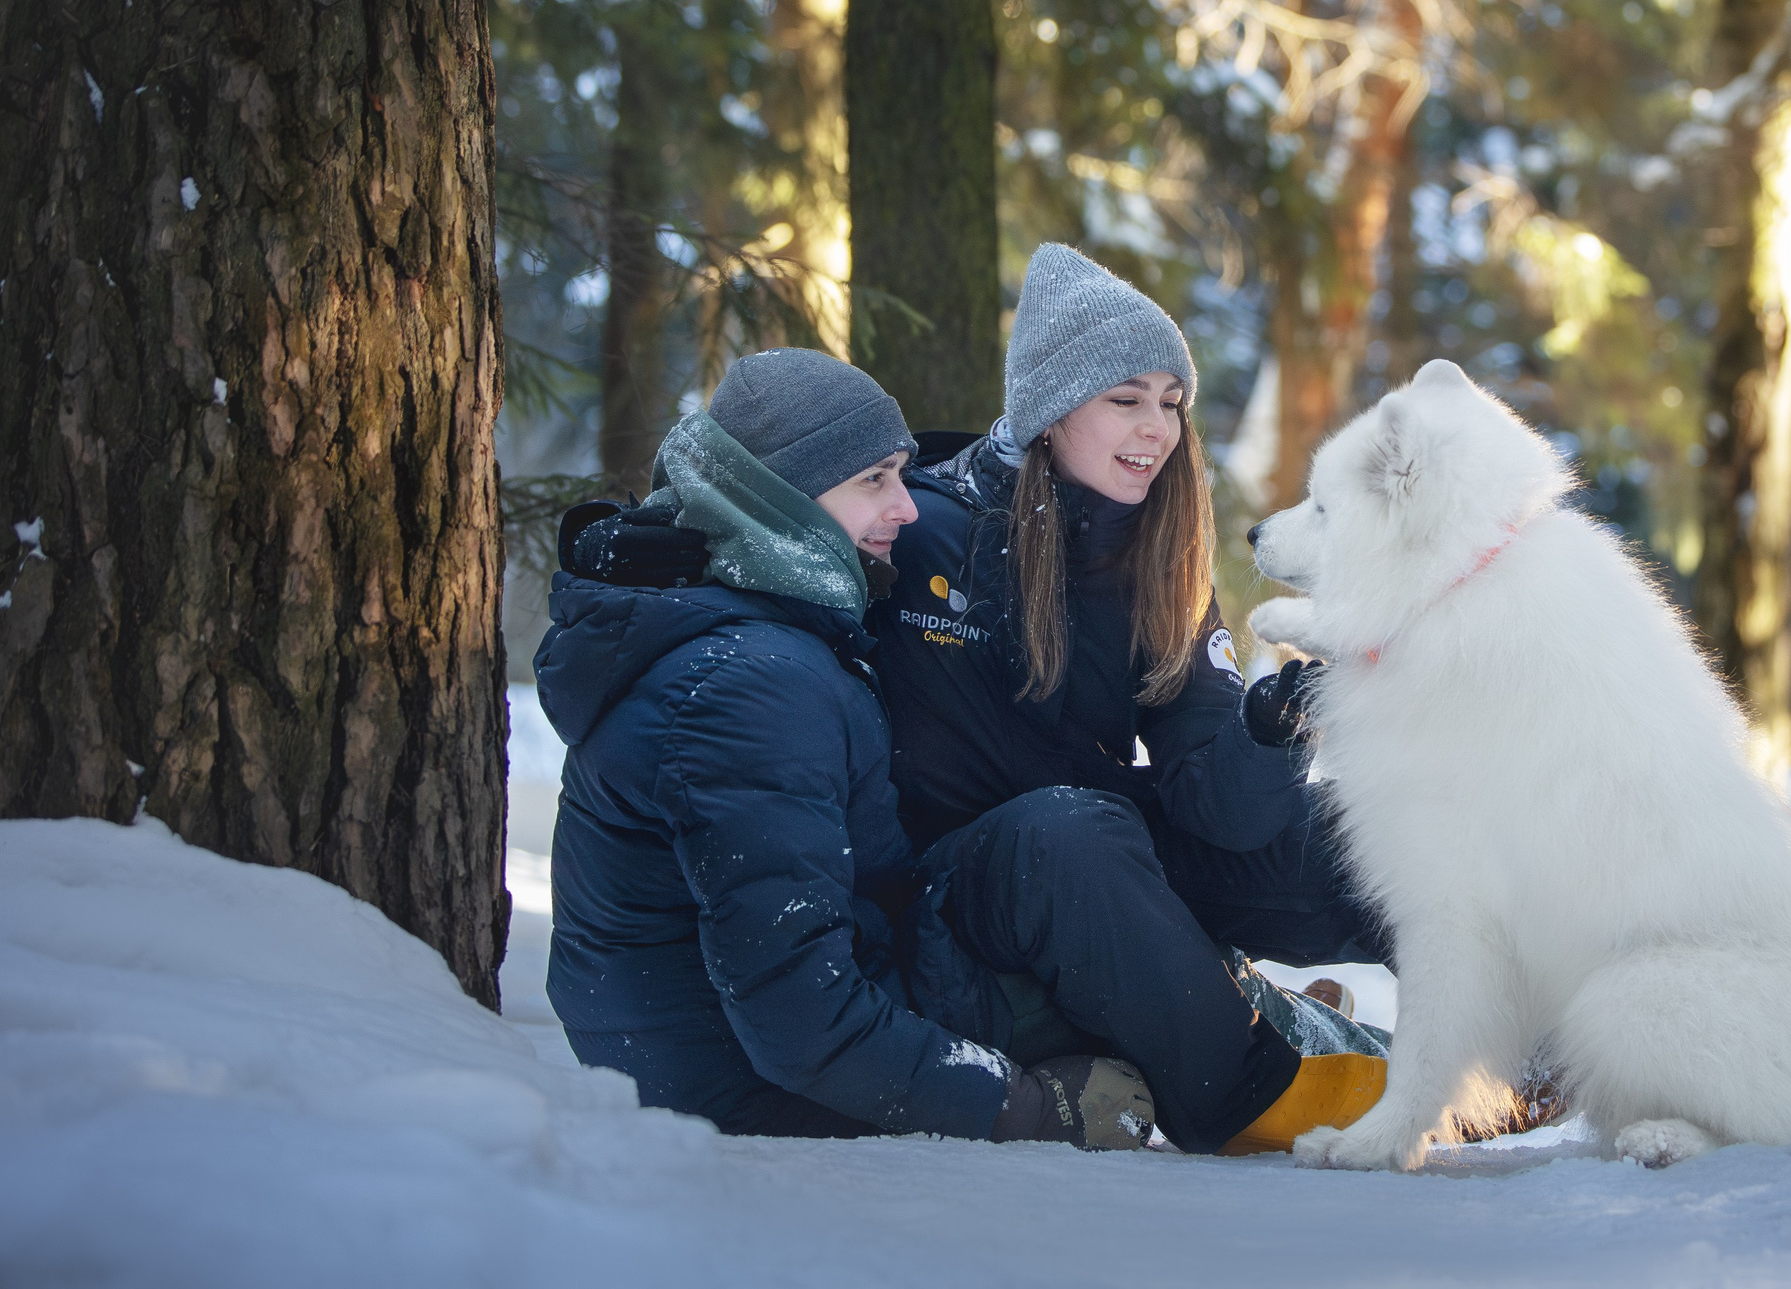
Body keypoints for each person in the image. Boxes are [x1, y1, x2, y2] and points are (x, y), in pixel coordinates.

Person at [537, 349, 1180, 1149]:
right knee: (1110, 978)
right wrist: (1029, 1108)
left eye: (903, 475)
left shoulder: (752, 632)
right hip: (746, 1091)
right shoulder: (753, 685)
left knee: (1068, 896)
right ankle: (1283, 1056)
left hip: (765, 1040)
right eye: (875, 478)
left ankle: (1275, 1023)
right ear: (780, 495)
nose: (908, 510)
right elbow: (802, 1020)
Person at [869, 243, 1389, 1153]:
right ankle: (1256, 1092)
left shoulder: (1157, 558)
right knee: (1076, 832)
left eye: (1171, 402)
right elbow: (775, 548)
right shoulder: (917, 530)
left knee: (1358, 827)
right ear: (1049, 407)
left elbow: (1221, 811)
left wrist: (1269, 731)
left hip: (1105, 866)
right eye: (1125, 399)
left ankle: (1550, 1032)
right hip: (963, 897)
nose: (1156, 428)